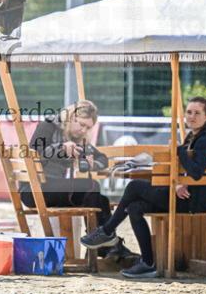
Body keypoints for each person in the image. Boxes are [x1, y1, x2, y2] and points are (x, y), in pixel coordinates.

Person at [80, 96, 206, 279]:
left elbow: (197, 172)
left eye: (197, 113)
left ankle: (107, 231)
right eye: (189, 112)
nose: (191, 116)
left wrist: (178, 151)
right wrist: (181, 181)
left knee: (134, 186)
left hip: (197, 200)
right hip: (194, 195)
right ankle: (148, 263)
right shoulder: (200, 137)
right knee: (134, 207)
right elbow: (197, 170)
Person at [25, 100, 138, 264]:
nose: (83, 130)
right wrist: (61, 148)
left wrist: (92, 163)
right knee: (91, 186)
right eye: (82, 124)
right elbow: (34, 151)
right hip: (33, 189)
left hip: (55, 188)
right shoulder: (48, 126)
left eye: (88, 128)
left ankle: (105, 244)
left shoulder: (78, 138)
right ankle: (107, 245)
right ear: (71, 117)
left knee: (101, 200)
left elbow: (103, 159)